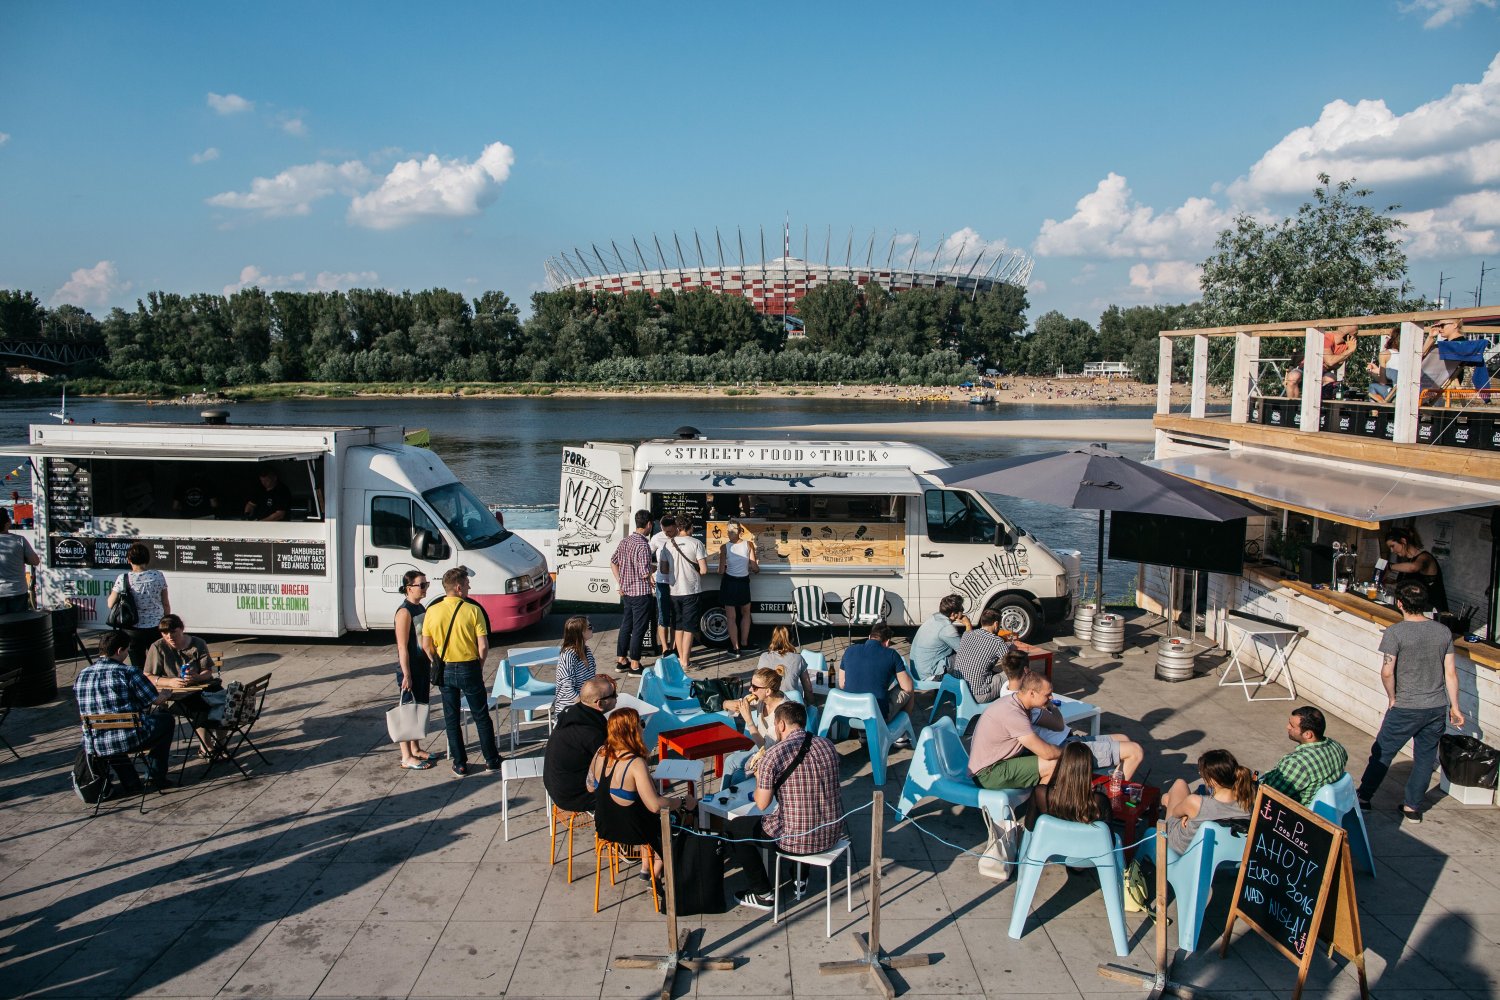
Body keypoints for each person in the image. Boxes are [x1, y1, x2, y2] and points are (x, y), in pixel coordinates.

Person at [1357, 583, 1464, 821]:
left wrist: (1392, 698)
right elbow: (1450, 673)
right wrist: (1455, 707)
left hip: (1405, 707)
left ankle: (1364, 798)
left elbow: (1387, 671)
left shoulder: (1396, 632)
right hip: (1436, 707)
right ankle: (1413, 807)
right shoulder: (1442, 632)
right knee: (1425, 758)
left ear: (1399, 603)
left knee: (1383, 753)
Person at [728, 701, 844, 910]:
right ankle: (801, 877)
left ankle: (762, 893)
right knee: (806, 809)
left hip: (797, 839)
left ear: (781, 725)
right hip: (832, 832)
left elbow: (762, 803)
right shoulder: (827, 745)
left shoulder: (774, 756)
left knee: (737, 828)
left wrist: (759, 775)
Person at [586, 707, 694, 884]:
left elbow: (590, 786)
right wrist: (682, 801)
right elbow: (655, 805)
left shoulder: (601, 752)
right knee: (679, 820)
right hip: (633, 832)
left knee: (643, 813)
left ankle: (646, 868)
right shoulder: (635, 763)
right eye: (641, 724)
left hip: (605, 827)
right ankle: (656, 874)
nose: (643, 728)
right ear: (632, 731)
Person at [1000, 650, 1145, 780]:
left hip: (1069, 739)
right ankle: (1110, 796)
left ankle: (1107, 782)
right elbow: (1058, 725)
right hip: (1065, 746)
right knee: (1135, 751)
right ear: (1026, 670)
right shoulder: (1027, 704)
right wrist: (1051, 706)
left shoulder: (1005, 688)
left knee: (1123, 739)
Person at [421, 567, 501, 777]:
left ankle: (460, 763)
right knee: (481, 716)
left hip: (445, 668)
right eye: (466, 583)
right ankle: (491, 759)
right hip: (469, 666)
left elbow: (426, 644)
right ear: (458, 587)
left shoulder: (432, 611)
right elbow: (483, 645)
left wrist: (436, 661)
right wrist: (480, 664)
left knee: (452, 717)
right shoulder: (472, 610)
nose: (469, 587)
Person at [76, 630, 174, 791]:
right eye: (127, 650)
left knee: (111, 732)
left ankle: (130, 781)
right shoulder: (128, 672)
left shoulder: (83, 674)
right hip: (130, 737)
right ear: (119, 650)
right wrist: (165, 693)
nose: (127, 654)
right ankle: (156, 775)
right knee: (165, 720)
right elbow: (155, 700)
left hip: (96, 741)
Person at [970, 671, 1064, 791]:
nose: (1051, 698)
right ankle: (1039, 807)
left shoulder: (1016, 702)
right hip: (988, 773)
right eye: (1048, 695)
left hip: (996, 763)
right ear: (1032, 693)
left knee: (1052, 757)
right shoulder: (1013, 713)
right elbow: (1047, 753)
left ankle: (1035, 803)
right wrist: (1070, 752)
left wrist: (1050, 705)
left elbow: (1057, 728)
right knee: (1053, 764)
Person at [143, 614, 218, 749]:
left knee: (227, 703)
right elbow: (148, 676)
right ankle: (206, 747)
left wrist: (196, 677)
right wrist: (170, 682)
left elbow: (207, 671)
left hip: (202, 687)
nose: (169, 636)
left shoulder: (198, 643)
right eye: (165, 633)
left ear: (182, 629)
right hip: (178, 694)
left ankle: (221, 743)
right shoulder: (158, 647)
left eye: (173, 632)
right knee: (201, 710)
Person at [1160, 749, 1256, 854]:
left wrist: (1186, 814)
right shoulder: (1248, 802)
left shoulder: (1196, 803)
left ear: (1212, 780)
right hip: (1219, 852)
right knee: (1170, 798)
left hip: (1182, 848)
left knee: (1178, 785)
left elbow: (1175, 813)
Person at [544, 675, 616, 813]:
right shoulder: (592, 734)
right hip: (575, 797)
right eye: (613, 695)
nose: (616, 698)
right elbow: (613, 767)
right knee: (629, 789)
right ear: (600, 704)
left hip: (558, 789)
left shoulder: (573, 714)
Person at [1260, 705, 1349, 806]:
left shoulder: (1297, 764)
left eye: (1292, 726)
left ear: (1308, 734)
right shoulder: (1337, 747)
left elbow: (1268, 793)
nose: (1287, 727)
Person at [1022, 741, 1113, 831]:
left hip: (1049, 844)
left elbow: (1029, 826)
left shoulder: (1041, 793)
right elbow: (1109, 839)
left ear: (1062, 764)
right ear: (1088, 770)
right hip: (1083, 845)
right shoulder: (1099, 800)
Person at [394, 570, 434, 770]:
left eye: (426, 584)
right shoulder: (404, 612)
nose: (426, 588)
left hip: (421, 665)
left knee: (419, 708)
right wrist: (406, 674)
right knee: (408, 711)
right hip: (409, 668)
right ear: (409, 588)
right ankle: (406, 756)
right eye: (422, 585)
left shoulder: (420, 607)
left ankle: (416, 748)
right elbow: (402, 646)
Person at [722, 666, 789, 784]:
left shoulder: (781, 714)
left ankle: (733, 799)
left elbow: (766, 749)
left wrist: (749, 720)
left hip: (775, 756)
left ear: (768, 691)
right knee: (729, 761)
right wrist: (725, 703)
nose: (750, 690)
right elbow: (738, 704)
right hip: (760, 747)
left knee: (738, 778)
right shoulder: (762, 698)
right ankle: (721, 799)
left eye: (754, 687)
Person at [837, 623, 914, 725]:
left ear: (869, 637)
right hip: (876, 716)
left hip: (849, 712)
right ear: (887, 642)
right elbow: (907, 688)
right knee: (910, 686)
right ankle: (903, 729)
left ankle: (859, 732)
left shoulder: (849, 650)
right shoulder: (892, 655)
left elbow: (842, 684)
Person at [107, 542, 170, 668]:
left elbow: (110, 603)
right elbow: (166, 603)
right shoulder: (158, 575)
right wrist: (166, 622)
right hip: (156, 625)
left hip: (132, 628)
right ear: (147, 559)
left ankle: (139, 685)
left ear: (129, 560)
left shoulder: (123, 578)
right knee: (158, 662)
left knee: (137, 663)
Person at [610, 510, 655, 674]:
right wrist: (652, 571)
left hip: (627, 592)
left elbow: (613, 562)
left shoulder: (625, 541)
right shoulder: (643, 545)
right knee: (639, 628)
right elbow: (644, 572)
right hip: (641, 593)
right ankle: (635, 663)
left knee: (626, 625)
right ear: (649, 524)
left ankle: (621, 659)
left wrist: (620, 581)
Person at [664, 515, 709, 669]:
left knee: (678, 626)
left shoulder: (668, 544)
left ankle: (680, 658)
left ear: (677, 527)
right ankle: (685, 661)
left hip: (674, 590)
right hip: (691, 590)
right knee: (689, 627)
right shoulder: (696, 543)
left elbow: (664, 569)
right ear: (691, 528)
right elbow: (703, 570)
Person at [1382, 526, 1449, 615]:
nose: (1392, 550)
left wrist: (1389, 567)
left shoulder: (1425, 557)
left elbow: (1413, 568)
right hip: (1416, 612)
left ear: (1403, 541)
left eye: (1392, 546)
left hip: (1433, 613)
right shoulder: (1406, 562)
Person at [951, 608, 1012, 703]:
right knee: (1013, 673)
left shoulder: (967, 634)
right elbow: (1011, 664)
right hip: (977, 695)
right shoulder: (997, 641)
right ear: (996, 624)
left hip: (958, 692)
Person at [719, 521, 758, 657]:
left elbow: (720, 570)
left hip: (729, 582)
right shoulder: (749, 545)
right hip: (743, 583)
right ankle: (745, 643)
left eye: (730, 531)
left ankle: (735, 648)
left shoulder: (724, 547)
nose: (729, 534)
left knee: (731, 617)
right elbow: (754, 567)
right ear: (741, 531)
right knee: (746, 613)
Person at [1285, 325, 1357, 399]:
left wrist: (1344, 354)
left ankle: (1320, 407)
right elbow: (1330, 362)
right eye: (1355, 334)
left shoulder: (1347, 345)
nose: (1356, 338)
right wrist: (1349, 351)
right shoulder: (1326, 338)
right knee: (1293, 377)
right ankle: (1293, 406)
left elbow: (1337, 365)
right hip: (1306, 368)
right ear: (1347, 336)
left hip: (1324, 371)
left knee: (1330, 379)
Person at [910, 594, 970, 681]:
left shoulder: (933, 619)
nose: (963, 611)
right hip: (930, 675)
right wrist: (968, 625)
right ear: (953, 614)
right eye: (962, 609)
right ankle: (971, 684)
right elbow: (966, 651)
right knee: (970, 657)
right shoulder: (947, 628)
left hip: (917, 672)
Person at [553, 615, 597, 714]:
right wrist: (587, 706)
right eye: (589, 627)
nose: (593, 628)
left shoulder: (587, 652)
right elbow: (568, 689)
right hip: (569, 709)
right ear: (580, 633)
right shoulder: (568, 656)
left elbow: (591, 680)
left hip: (586, 704)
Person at [757, 626, 814, 703]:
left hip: (767, 704)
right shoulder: (798, 658)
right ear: (792, 640)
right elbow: (808, 689)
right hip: (791, 707)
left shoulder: (763, 657)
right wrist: (812, 705)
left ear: (773, 639)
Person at [0, 506, 40, 614]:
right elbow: (35, 561)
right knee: (18, 626)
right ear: (7, 523)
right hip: (17, 591)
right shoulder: (19, 540)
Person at [649, 516, 678, 656]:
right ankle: (665, 648)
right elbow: (645, 554)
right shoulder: (657, 538)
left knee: (676, 615)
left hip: (677, 581)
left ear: (676, 527)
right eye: (665, 531)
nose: (667, 534)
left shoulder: (681, 537)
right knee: (663, 616)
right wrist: (649, 572)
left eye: (670, 531)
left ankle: (674, 646)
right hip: (662, 581)